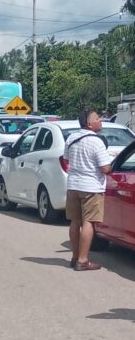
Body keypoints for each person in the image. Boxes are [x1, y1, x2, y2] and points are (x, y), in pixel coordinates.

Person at [63, 110, 112, 271]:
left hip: (73, 185)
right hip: (91, 187)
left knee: (75, 221)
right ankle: (83, 260)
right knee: (88, 222)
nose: (101, 120)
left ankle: (75, 257)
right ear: (90, 124)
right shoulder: (96, 141)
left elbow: (66, 160)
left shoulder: (71, 138)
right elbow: (105, 168)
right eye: (98, 118)